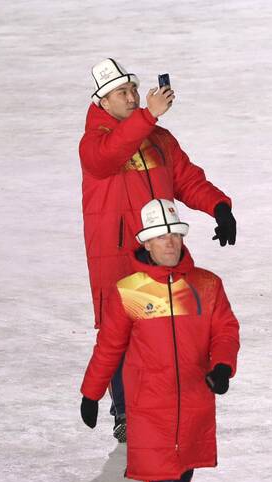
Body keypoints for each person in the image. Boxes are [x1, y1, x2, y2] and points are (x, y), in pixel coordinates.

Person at [79, 199, 240, 482]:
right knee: (161, 477)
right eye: (160, 237)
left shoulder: (206, 285)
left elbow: (226, 331)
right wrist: (92, 392)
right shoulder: (128, 291)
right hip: (150, 405)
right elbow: (110, 347)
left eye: (174, 235)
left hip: (195, 400)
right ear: (146, 244)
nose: (169, 243)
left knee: (182, 471)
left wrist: (222, 366)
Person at [80, 58, 236, 443]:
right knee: (122, 329)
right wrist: (148, 114)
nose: (132, 98)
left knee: (168, 325)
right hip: (118, 254)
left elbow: (187, 179)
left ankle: (173, 400)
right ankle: (125, 413)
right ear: (102, 101)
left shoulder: (159, 139)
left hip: (162, 248)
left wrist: (219, 207)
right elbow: (111, 153)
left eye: (134, 90)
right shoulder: (94, 143)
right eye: (123, 93)